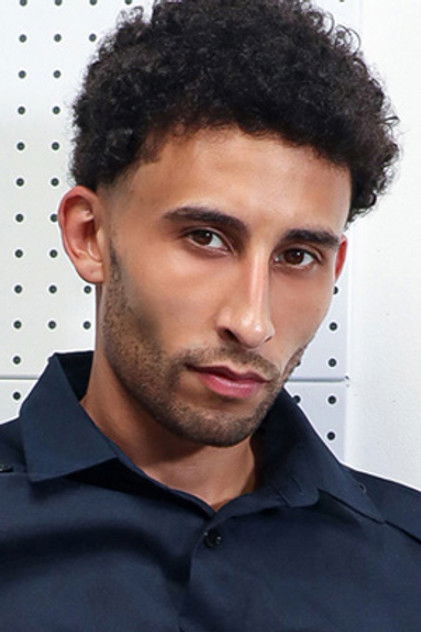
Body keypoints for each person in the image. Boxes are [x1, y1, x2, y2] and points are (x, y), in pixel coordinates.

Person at [1, 0, 419, 630]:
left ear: (334, 268)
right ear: (90, 236)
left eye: (297, 255)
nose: (253, 323)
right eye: (206, 238)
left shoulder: (407, 562)